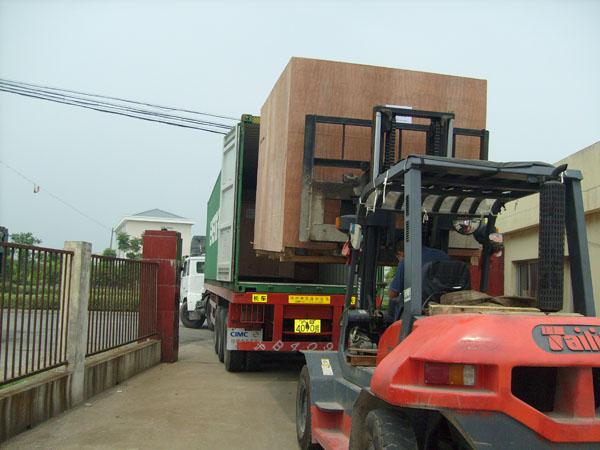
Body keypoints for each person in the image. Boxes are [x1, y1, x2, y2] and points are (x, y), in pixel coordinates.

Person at [387, 245, 449, 320]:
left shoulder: (407, 260)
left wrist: (394, 281)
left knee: (394, 302)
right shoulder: (443, 255)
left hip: (419, 307)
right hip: (443, 301)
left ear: (401, 254)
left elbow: (393, 293)